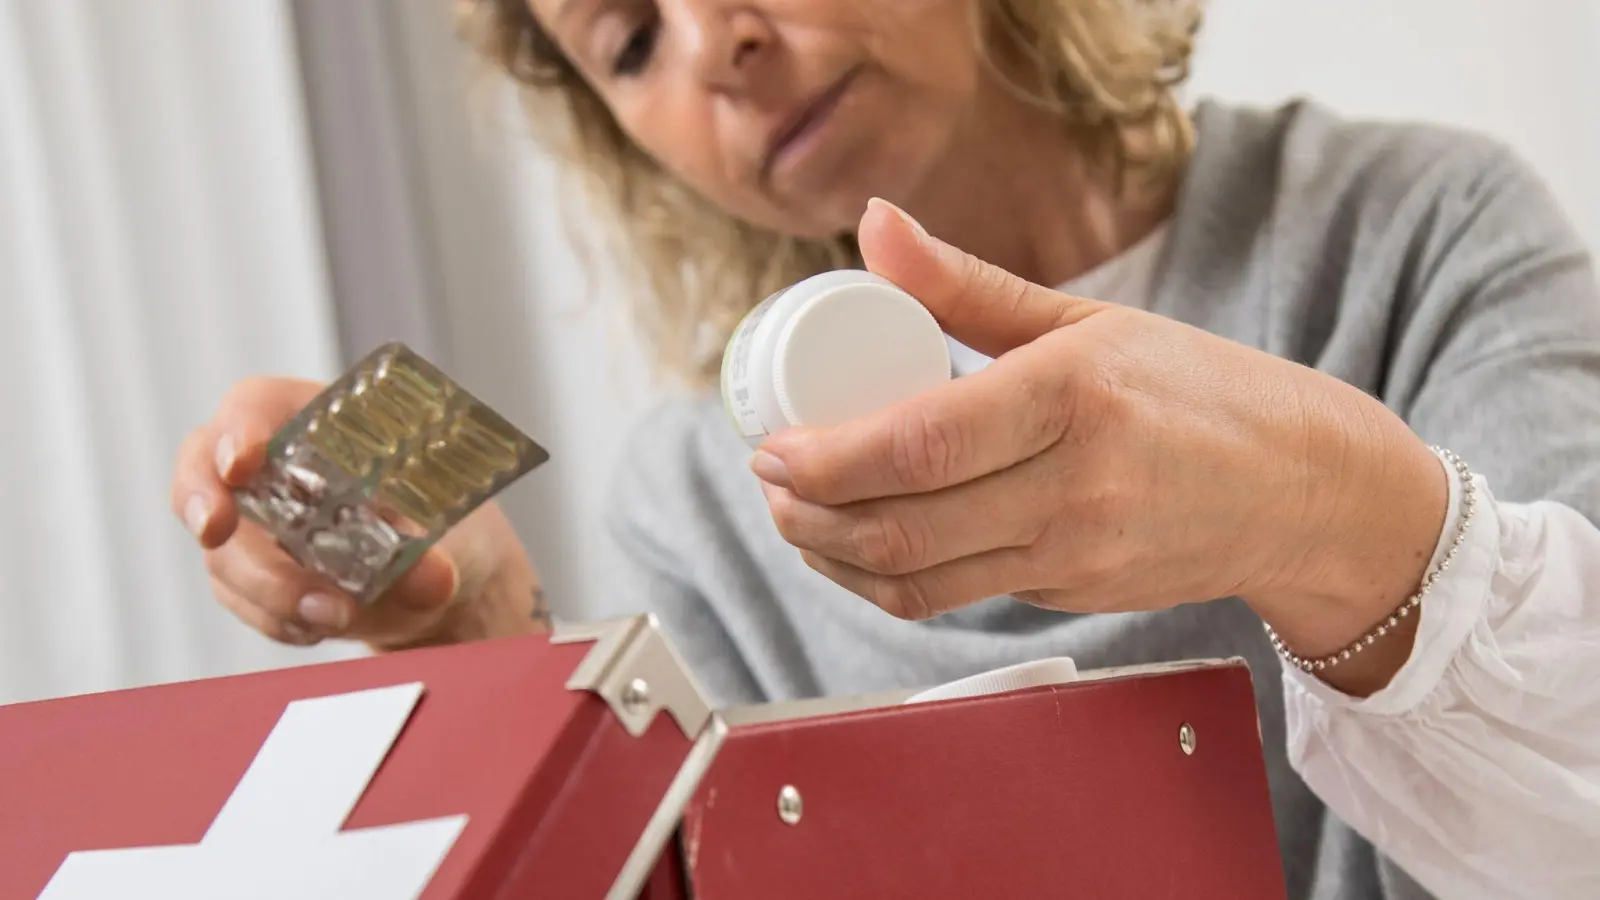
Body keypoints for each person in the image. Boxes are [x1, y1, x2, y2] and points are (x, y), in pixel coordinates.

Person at [169, 0, 1600, 896]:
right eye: (629, 41)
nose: (714, 42)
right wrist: (485, 644)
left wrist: (1316, 518)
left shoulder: (1420, 232)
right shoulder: (702, 499)